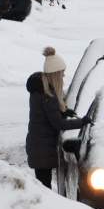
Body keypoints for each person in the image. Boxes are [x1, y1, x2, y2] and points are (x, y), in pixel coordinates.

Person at [25, 46, 87, 189]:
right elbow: (58, 124)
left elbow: (47, 115)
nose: (63, 76)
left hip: (38, 146)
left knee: (43, 185)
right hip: (42, 148)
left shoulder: (40, 90)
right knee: (44, 188)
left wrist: (63, 111)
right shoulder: (48, 96)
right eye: (62, 73)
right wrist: (82, 122)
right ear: (55, 75)